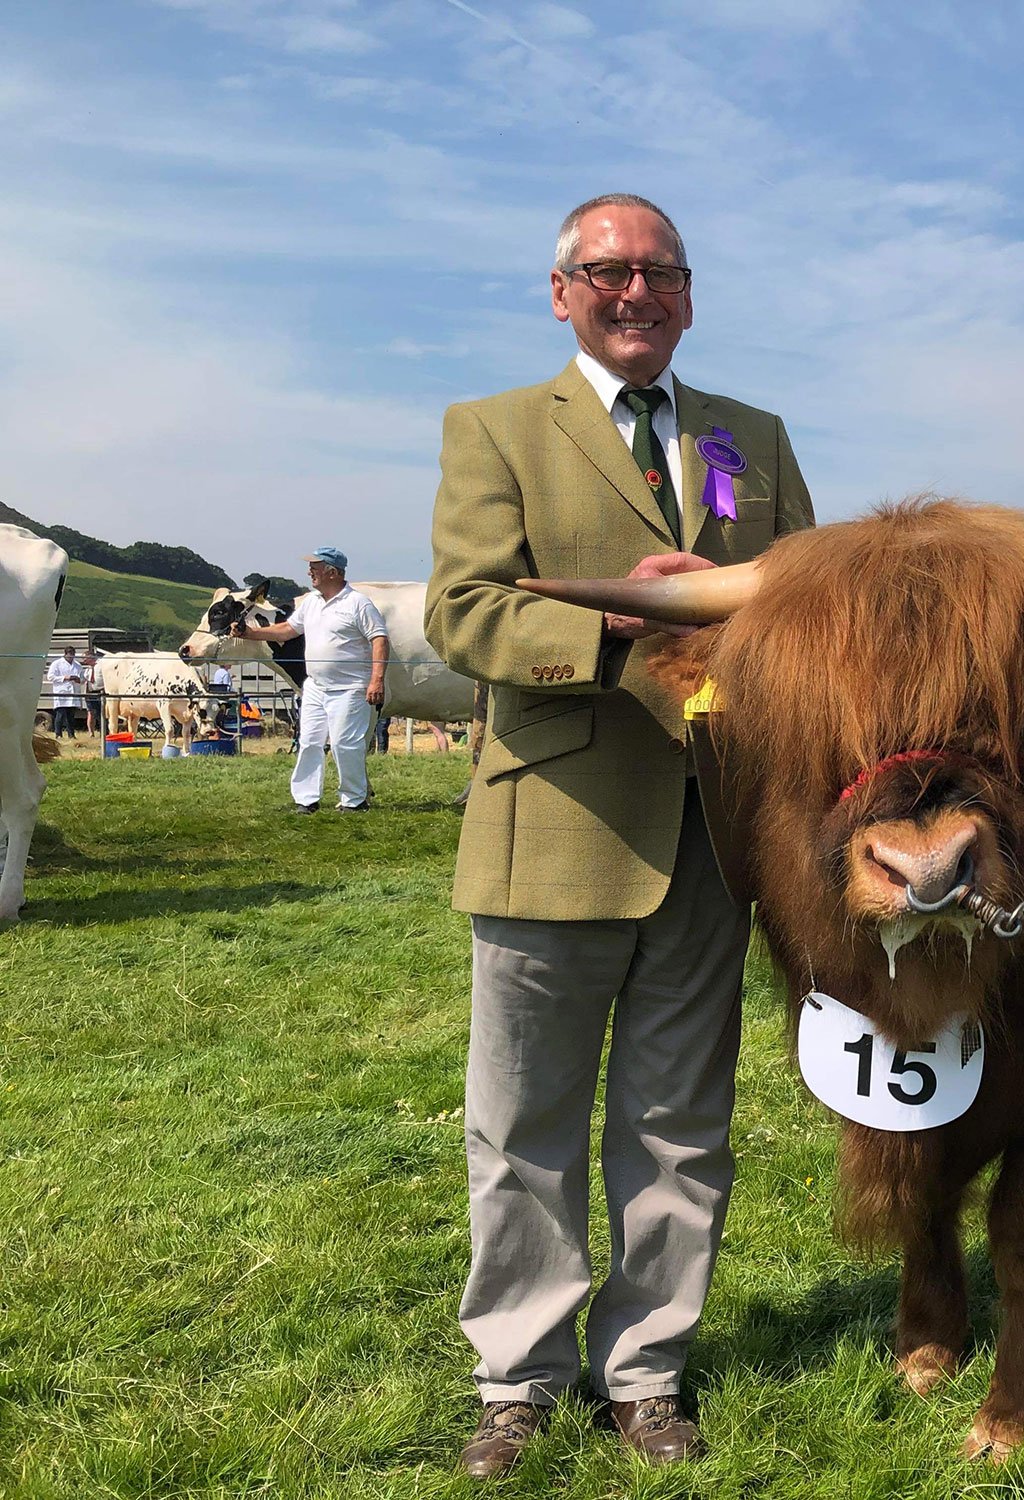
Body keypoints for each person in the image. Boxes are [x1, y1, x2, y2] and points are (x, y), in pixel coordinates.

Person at [424, 192, 813, 1480]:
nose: (633, 291)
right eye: (607, 272)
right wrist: (615, 636)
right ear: (560, 291)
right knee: (523, 1124)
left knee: (678, 1127)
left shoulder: (748, 439)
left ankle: (644, 1373)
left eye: (658, 272)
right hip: (555, 830)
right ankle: (518, 1381)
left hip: (713, 832)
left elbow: (802, 605)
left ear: (690, 294)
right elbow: (465, 614)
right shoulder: (491, 431)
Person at [234, 547, 387, 811]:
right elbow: (287, 630)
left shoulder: (358, 603)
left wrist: (376, 680)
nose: (309, 572)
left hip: (350, 688)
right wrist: (250, 634)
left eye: (315, 567)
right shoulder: (312, 602)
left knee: (344, 743)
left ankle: (354, 799)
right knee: (309, 742)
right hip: (315, 687)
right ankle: (306, 799)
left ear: (332, 572)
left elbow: (379, 639)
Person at [46, 647, 86, 737]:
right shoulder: (57, 664)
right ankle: (58, 734)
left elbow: (83, 679)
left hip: (73, 693)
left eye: (73, 654)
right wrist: (65, 678)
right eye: (69, 654)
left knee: (71, 716)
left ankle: (71, 734)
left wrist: (78, 680)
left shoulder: (78, 665)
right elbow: (50, 677)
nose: (71, 656)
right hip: (61, 692)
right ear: (65, 654)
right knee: (60, 715)